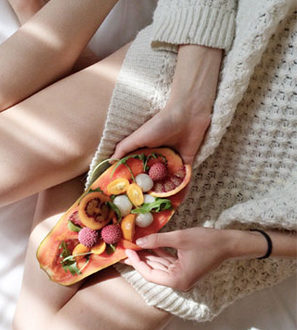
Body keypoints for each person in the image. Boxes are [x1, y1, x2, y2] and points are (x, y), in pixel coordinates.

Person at [1, 0, 295, 329]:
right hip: (204, 72)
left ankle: (47, 38)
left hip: (244, 217)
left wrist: (238, 244)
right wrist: (189, 101)